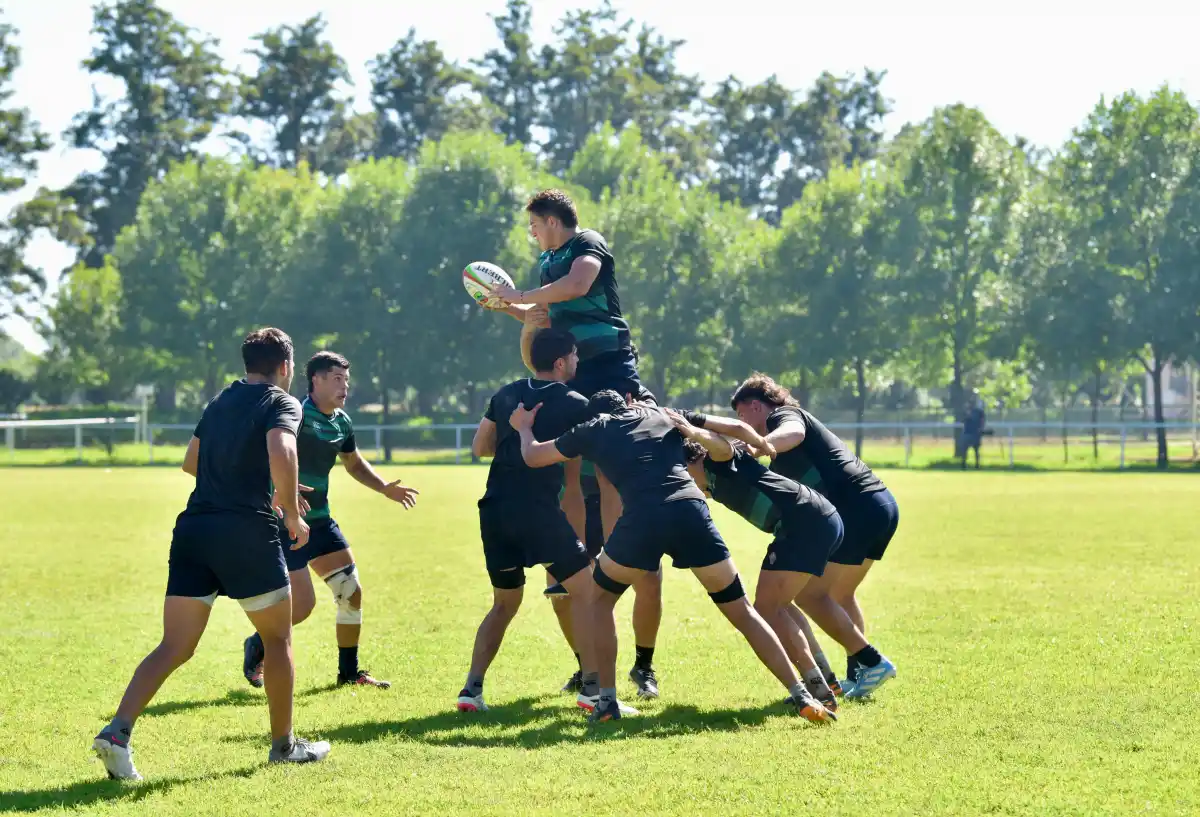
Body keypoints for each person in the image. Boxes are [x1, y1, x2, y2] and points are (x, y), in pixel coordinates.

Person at [511, 389, 836, 724]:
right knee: (741, 610)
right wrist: (763, 445)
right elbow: (735, 429)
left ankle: (606, 702)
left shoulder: (593, 428)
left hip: (642, 519)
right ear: (628, 401)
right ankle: (802, 694)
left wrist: (523, 427)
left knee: (598, 600)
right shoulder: (660, 412)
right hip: (690, 510)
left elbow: (534, 456)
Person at [92, 328, 330, 781]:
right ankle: (284, 747)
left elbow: (191, 461)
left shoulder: (220, 401)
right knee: (277, 640)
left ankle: (117, 731)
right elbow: (281, 448)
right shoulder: (284, 402)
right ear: (285, 366)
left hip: (195, 529)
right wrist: (292, 514)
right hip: (246, 532)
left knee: (174, 646)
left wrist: (268, 483)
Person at [501, 241, 663, 701]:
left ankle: (644, 667)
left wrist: (519, 298)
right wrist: (512, 304)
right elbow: (537, 321)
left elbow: (575, 283)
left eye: (536, 226)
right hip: (575, 503)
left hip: (623, 500)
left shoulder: (624, 397)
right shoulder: (560, 400)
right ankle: (587, 669)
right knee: (563, 590)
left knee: (647, 577)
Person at [241, 351, 418, 692]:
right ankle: (258, 645)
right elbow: (265, 453)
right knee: (303, 606)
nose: (344, 387)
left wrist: (383, 488)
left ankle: (349, 673)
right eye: (336, 379)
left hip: (320, 521)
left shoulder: (341, 422)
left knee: (351, 592)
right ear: (316, 380)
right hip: (284, 523)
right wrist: (284, 490)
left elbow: (352, 463)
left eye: (346, 381)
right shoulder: (294, 414)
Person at [460, 328, 610, 713]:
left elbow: (479, 447)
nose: (577, 362)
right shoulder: (576, 402)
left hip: (494, 510)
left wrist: (513, 433)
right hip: (538, 512)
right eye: (574, 356)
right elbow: (585, 462)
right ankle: (592, 689)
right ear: (560, 362)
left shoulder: (506, 393)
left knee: (503, 604)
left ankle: (471, 691)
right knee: (589, 593)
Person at [726, 374, 898, 698]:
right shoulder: (780, 422)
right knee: (841, 594)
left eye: (741, 416)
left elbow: (794, 432)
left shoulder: (783, 415)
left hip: (855, 508)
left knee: (810, 596)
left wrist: (757, 446)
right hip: (880, 505)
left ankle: (872, 662)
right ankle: (860, 675)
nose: (742, 423)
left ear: (755, 405)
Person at [666, 409, 844, 712]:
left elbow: (722, 444)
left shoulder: (715, 460)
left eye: (682, 472)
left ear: (692, 460)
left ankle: (819, 691)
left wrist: (692, 430)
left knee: (767, 608)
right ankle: (827, 681)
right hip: (814, 519)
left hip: (805, 522)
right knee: (781, 605)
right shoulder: (710, 476)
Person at [961, 393, 987, 470]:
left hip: (975, 432)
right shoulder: (966, 411)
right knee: (965, 450)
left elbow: (982, 420)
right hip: (967, 432)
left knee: (976, 450)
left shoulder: (979, 411)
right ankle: (964, 464)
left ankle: (977, 465)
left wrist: (981, 428)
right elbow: (963, 420)